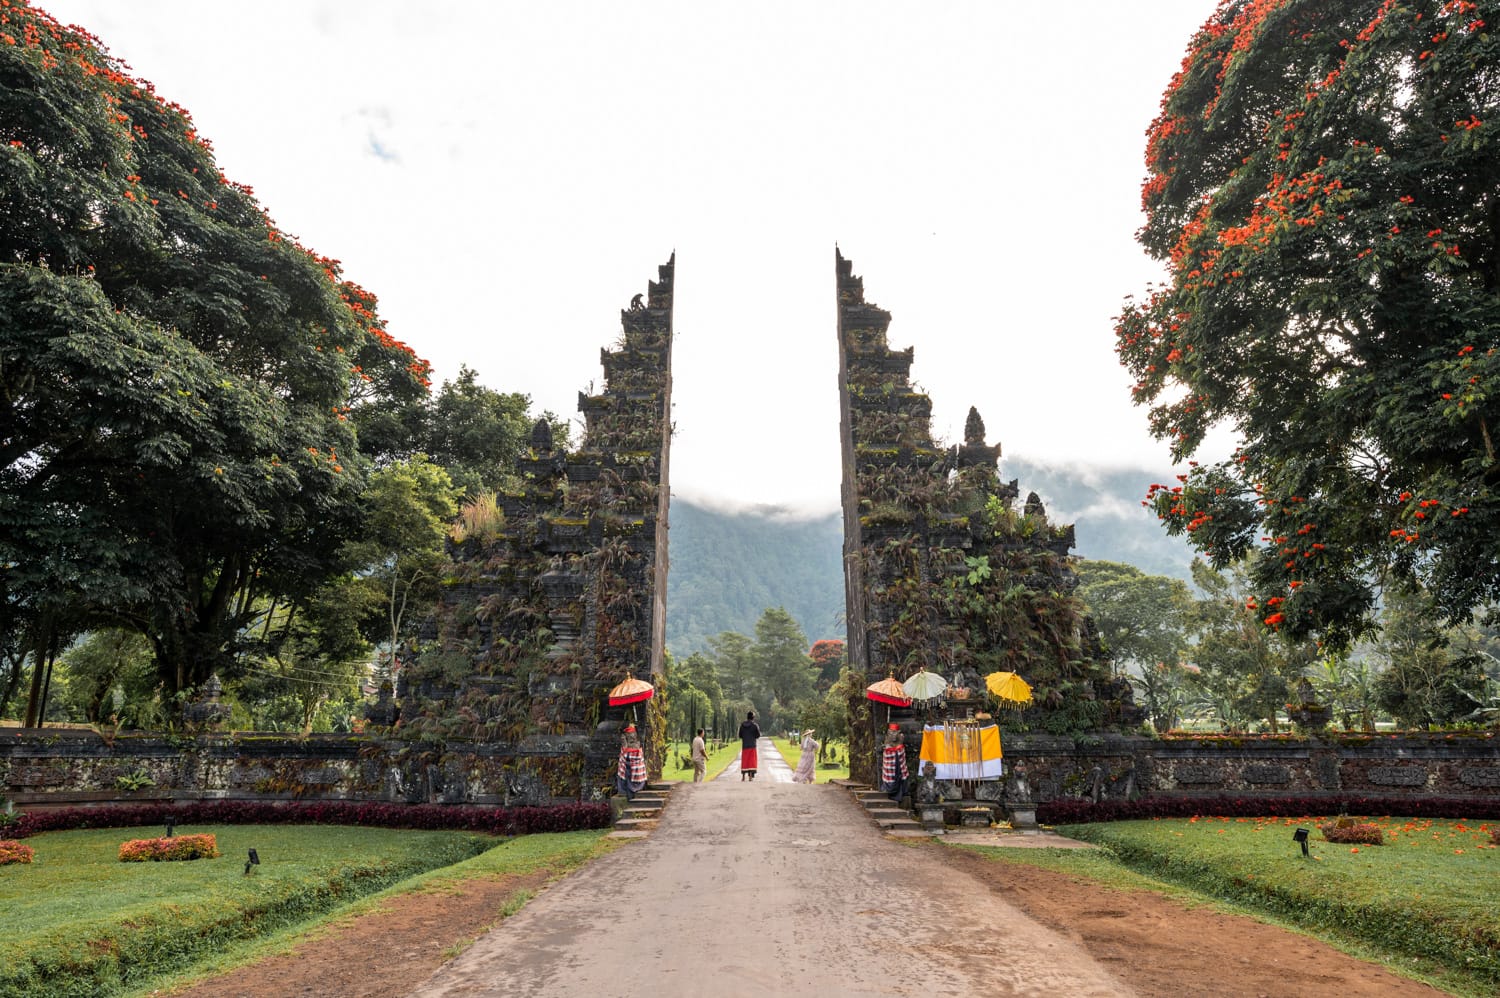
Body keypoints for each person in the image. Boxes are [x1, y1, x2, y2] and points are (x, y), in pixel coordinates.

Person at [615, 724, 647, 800]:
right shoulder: (636, 739)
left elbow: (625, 747)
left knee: (627, 779)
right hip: (632, 759)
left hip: (630, 758)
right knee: (630, 779)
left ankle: (629, 793)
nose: (632, 737)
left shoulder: (625, 737)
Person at [880, 723, 909, 803]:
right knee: (889, 770)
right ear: (888, 733)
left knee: (901, 770)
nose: (893, 735)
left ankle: (900, 792)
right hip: (890, 770)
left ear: (898, 733)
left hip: (899, 769)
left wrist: (897, 748)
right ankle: (889, 789)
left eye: (895, 732)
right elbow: (887, 752)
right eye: (891, 733)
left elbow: (901, 754)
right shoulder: (887, 743)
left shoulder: (900, 741)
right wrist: (890, 749)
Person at [738, 710, 761, 781]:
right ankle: (750, 776)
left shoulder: (742, 725)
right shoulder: (755, 725)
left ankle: (743, 777)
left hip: (745, 745)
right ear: (753, 717)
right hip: (752, 745)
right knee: (751, 761)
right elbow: (758, 735)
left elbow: (740, 735)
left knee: (744, 761)